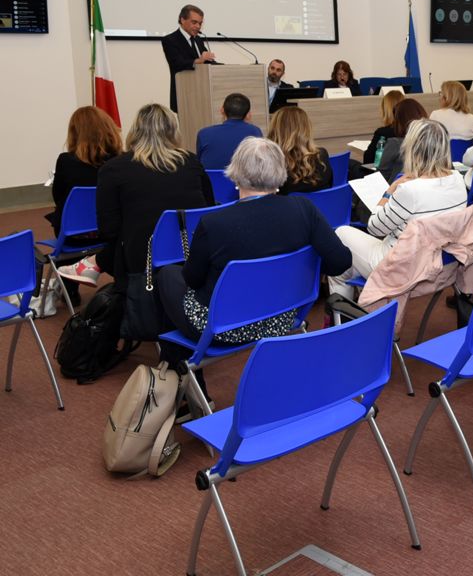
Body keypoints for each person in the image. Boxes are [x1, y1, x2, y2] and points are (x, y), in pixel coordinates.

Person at [156, 138, 352, 409]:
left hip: (223, 328)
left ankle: (180, 388)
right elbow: (341, 262)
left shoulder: (214, 224)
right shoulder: (303, 209)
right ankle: (180, 379)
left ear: (235, 173)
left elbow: (193, 280)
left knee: (166, 275)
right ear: (280, 172)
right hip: (284, 318)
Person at [329, 119, 468, 299]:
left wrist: (388, 193)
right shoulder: (458, 179)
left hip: (401, 268)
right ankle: (354, 311)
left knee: (341, 234)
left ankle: (343, 316)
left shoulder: (410, 190)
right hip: (442, 261)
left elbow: (374, 228)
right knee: (346, 267)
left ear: (413, 149)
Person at [94, 104, 214, 295]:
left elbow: (108, 230)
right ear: (173, 131)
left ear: (135, 131)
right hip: (191, 254)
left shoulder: (113, 169)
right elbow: (208, 209)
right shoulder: (191, 163)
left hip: (141, 263)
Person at [48, 107, 123, 300]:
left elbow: (58, 197)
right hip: (111, 233)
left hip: (75, 235)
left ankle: (69, 289)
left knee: (65, 220)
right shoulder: (121, 161)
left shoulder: (66, 161)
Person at [161, 4, 216, 112]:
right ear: (182, 20)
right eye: (194, 22)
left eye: (200, 23)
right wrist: (199, 60)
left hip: (203, 95)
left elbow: (207, 62)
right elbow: (177, 64)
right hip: (183, 95)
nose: (198, 26)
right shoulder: (170, 40)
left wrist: (220, 66)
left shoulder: (198, 40)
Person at [267, 106, 332, 194]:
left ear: (276, 130)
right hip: (322, 207)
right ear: (306, 129)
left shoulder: (272, 162)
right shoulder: (321, 155)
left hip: (288, 207)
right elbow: (330, 185)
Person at [196, 92, 262, 169]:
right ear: (248, 114)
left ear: (222, 110)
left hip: (211, 180)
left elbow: (200, 163)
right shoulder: (255, 132)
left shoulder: (204, 134)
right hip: (243, 180)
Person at [376, 98, 429, 180]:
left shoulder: (395, 144)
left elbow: (381, 176)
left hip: (396, 189)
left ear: (399, 121)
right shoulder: (435, 143)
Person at [362, 90, 407, 167]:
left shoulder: (383, 133)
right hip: (405, 173)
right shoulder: (412, 129)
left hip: (383, 175)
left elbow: (368, 160)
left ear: (385, 109)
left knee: (350, 164)